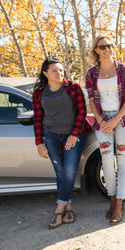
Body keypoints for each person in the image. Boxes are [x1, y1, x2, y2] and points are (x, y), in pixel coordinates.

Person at [85, 34, 125, 224]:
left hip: (122, 119)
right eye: (102, 46)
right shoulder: (91, 73)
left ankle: (119, 205)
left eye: (110, 45)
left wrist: (115, 120)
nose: (107, 48)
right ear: (96, 50)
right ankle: (112, 198)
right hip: (102, 120)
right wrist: (100, 121)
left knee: (121, 159)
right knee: (106, 160)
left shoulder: (123, 69)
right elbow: (91, 100)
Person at [33, 58, 89, 229]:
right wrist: (39, 143)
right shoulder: (39, 92)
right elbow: (38, 118)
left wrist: (74, 135)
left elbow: (82, 112)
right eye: (54, 71)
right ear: (45, 73)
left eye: (60, 70)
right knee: (60, 172)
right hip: (51, 136)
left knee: (70, 170)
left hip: (73, 134)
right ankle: (69, 206)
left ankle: (59, 207)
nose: (59, 73)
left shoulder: (72, 88)